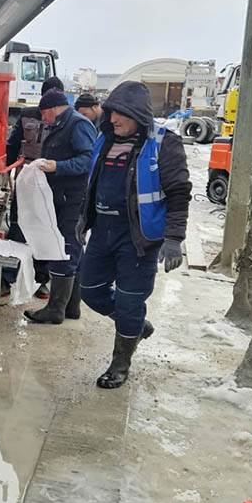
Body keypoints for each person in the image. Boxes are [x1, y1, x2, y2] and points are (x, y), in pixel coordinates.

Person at [78, 81, 191, 388]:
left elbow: (179, 193)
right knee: (90, 289)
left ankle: (120, 363)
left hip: (138, 238)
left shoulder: (164, 143)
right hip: (103, 231)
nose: (113, 119)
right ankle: (136, 325)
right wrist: (83, 220)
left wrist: (174, 238)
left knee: (130, 301)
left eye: (121, 114)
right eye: (111, 112)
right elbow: (92, 183)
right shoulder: (104, 139)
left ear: (138, 114)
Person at [20, 90, 98, 324]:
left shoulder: (77, 125)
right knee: (73, 250)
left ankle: (55, 309)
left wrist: (57, 166)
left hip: (73, 198)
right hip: (63, 197)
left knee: (65, 248)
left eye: (44, 113)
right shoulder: (62, 124)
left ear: (53, 108)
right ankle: (71, 307)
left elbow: (88, 160)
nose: (43, 119)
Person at [5, 76, 72, 299]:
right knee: (17, 226)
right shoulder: (27, 115)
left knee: (45, 228)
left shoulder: (67, 121)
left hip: (51, 182)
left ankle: (41, 279)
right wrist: (4, 169)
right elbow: (13, 145)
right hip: (26, 179)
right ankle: (7, 277)